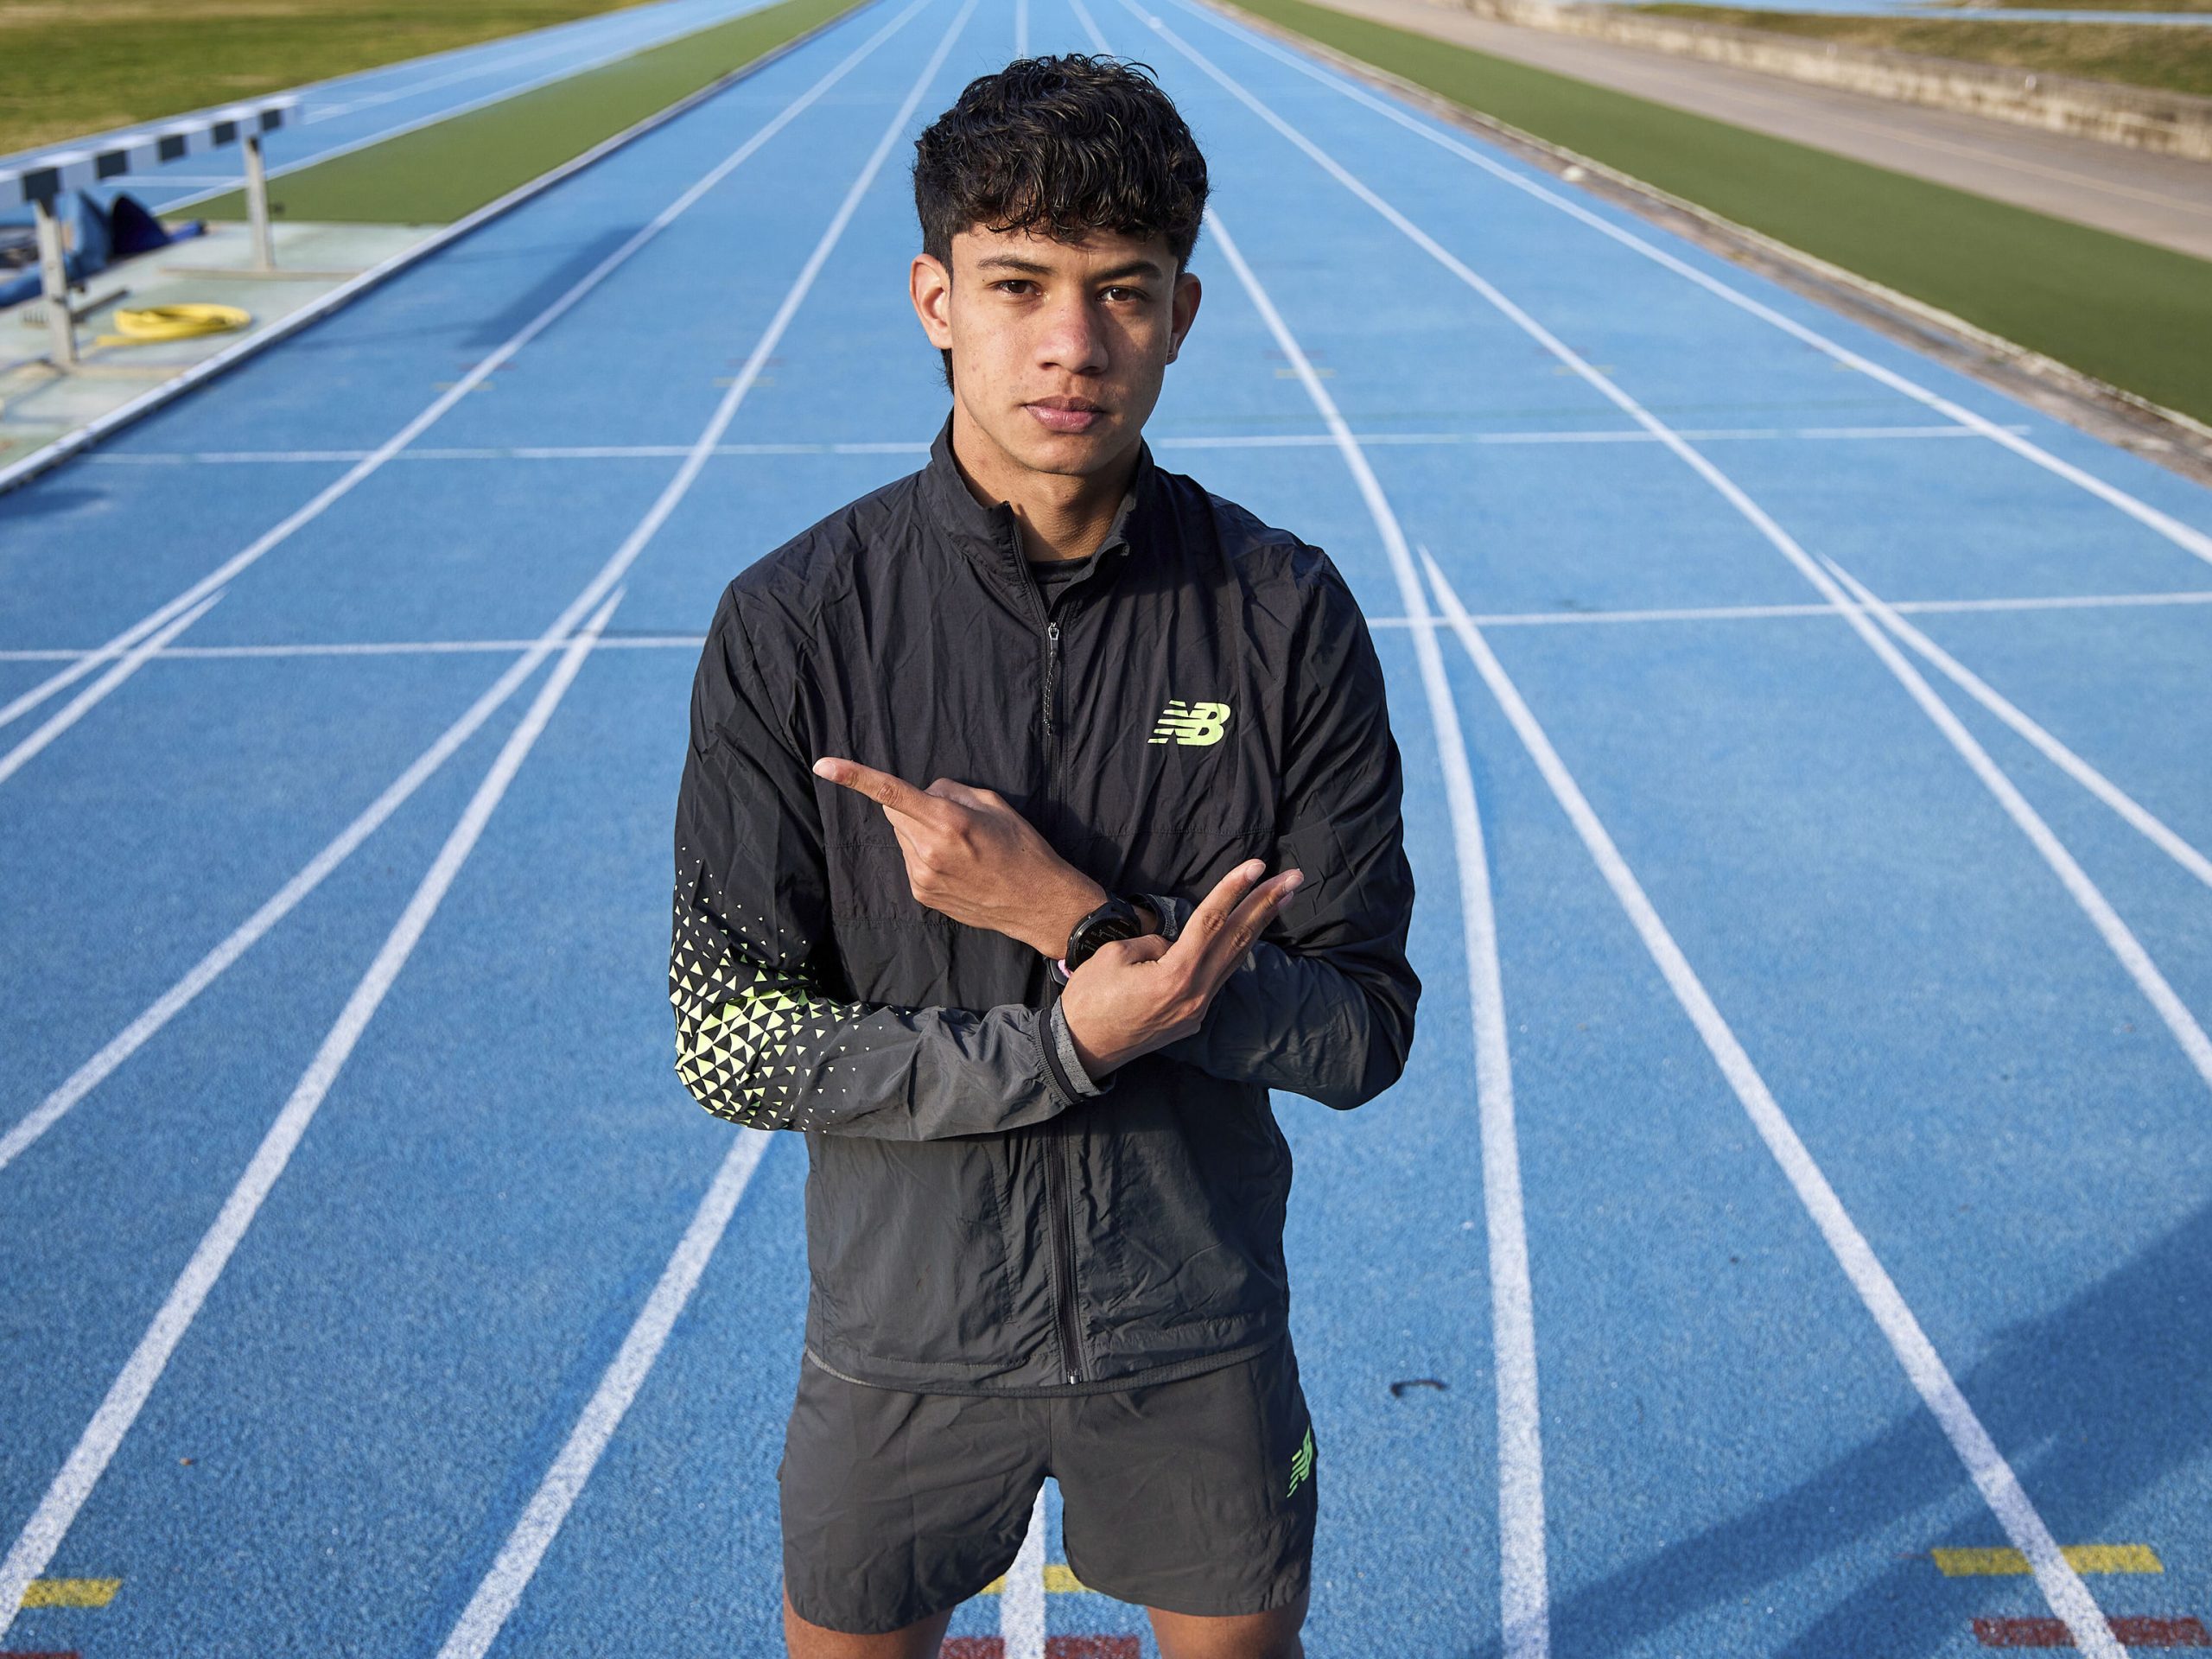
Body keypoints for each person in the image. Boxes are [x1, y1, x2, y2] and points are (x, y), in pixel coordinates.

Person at [668, 52, 1420, 1659]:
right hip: (902, 1340)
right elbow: (729, 1041)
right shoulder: (793, 625)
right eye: (1020, 286)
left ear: (1183, 314)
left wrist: (1085, 928)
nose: (1073, 345)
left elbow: (1365, 1030)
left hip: (1197, 1331)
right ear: (936, 297)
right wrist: (1060, 1048)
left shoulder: (1285, 616)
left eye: (1122, 293)